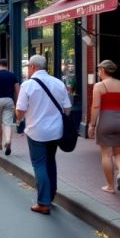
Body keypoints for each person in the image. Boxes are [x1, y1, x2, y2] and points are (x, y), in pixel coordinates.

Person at [16, 55, 70, 215]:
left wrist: (19, 118)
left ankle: (43, 202)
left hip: (36, 131)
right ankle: (51, 195)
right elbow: (67, 109)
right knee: (50, 161)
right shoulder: (59, 83)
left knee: (39, 164)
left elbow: (20, 111)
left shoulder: (28, 85)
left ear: (32, 66)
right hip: (56, 131)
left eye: (28, 67)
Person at [89, 60, 120, 193]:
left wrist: (92, 125)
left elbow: (95, 107)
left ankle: (110, 186)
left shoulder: (99, 86)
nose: (98, 72)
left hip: (105, 120)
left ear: (102, 70)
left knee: (106, 154)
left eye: (98, 70)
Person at [0, 58, 19, 156]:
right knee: (7, 123)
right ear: (7, 65)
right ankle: (8, 140)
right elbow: (17, 90)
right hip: (9, 100)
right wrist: (16, 102)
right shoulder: (12, 76)